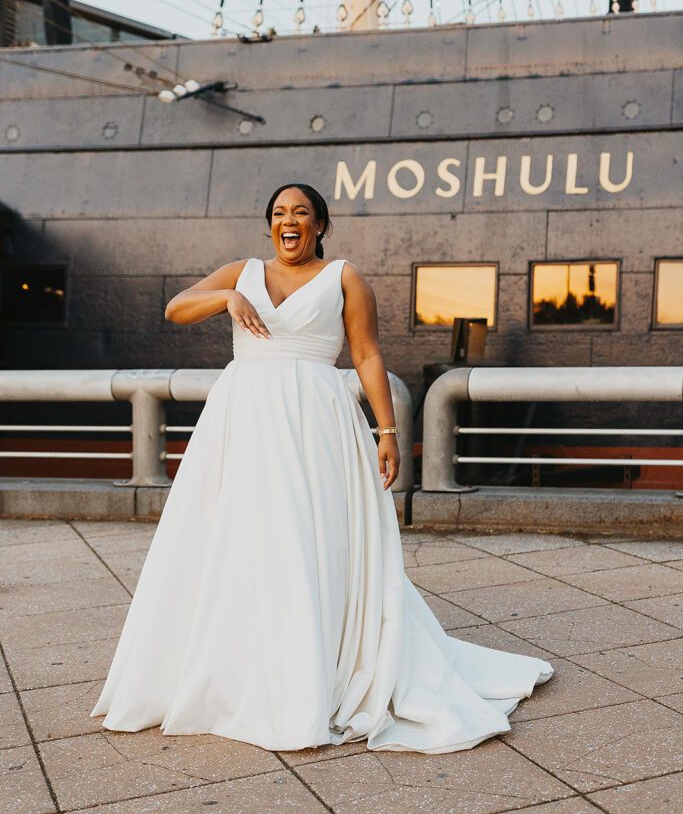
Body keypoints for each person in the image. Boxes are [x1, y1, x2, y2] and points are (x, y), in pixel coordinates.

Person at [90, 182, 552, 752]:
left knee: (310, 540)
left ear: (320, 225)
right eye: (280, 213)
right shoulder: (242, 270)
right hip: (243, 423)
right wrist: (226, 299)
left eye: (301, 213)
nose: (290, 221)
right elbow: (175, 307)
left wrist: (387, 431)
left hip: (317, 423)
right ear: (270, 225)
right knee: (235, 539)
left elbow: (366, 354)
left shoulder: (344, 277)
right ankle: (231, 670)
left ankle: (309, 669)